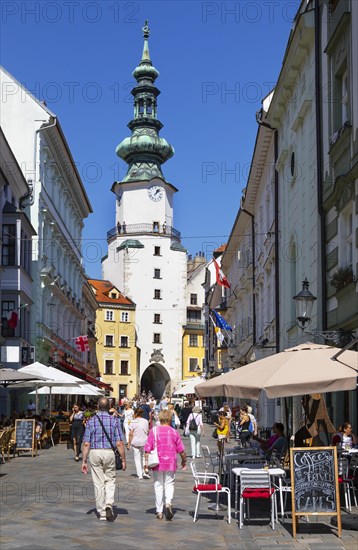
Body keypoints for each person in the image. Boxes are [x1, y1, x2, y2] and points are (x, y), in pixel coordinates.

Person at [81, 397, 126, 522]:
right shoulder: (115, 421)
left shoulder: (91, 421)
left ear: (97, 406)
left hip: (95, 453)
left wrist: (84, 460)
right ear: (109, 407)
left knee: (98, 482)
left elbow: (86, 443)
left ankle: (101, 512)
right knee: (110, 479)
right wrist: (123, 460)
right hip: (109, 453)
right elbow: (119, 443)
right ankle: (109, 504)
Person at [144, 409, 187, 521]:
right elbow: (181, 450)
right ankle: (168, 503)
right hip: (171, 462)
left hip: (157, 462)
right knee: (169, 483)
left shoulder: (154, 431)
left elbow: (147, 448)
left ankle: (159, 511)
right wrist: (184, 460)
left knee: (158, 485)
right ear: (170, 419)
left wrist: (145, 463)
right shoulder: (174, 432)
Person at [127, 407, 150, 480]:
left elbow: (131, 434)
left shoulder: (132, 421)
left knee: (137, 458)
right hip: (144, 441)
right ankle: (145, 472)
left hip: (135, 442)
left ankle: (139, 474)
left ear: (135, 413)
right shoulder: (146, 421)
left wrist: (128, 444)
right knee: (144, 457)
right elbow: (147, 431)